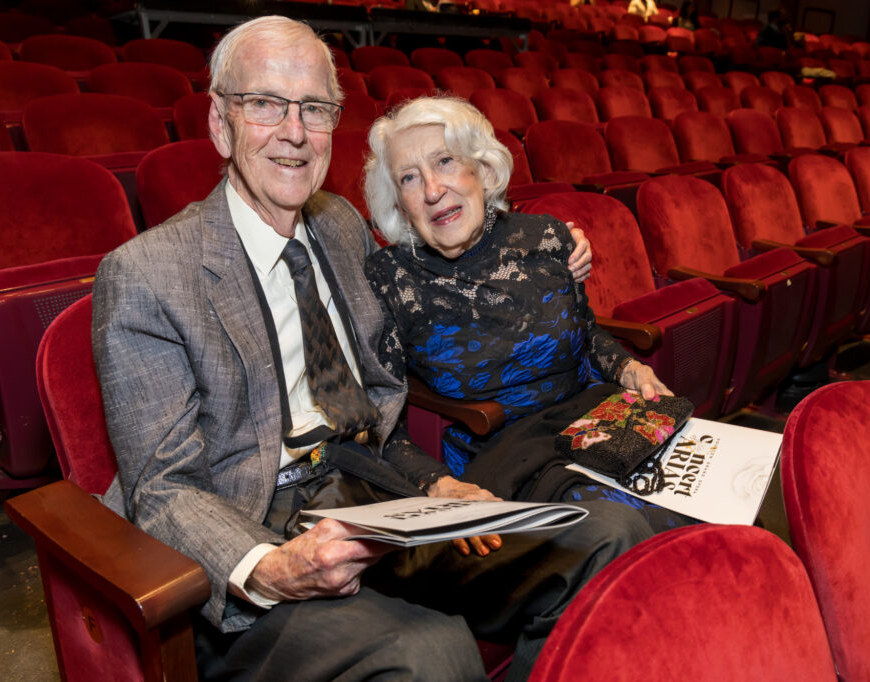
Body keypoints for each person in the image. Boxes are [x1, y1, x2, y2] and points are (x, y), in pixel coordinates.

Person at [92, 15, 654, 682]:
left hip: (374, 493)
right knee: (434, 653)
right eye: (266, 104)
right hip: (253, 520)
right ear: (221, 123)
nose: (295, 132)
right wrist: (269, 567)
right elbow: (163, 489)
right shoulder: (148, 273)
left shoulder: (339, 228)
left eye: (316, 108)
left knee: (614, 539)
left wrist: (437, 484)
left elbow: (449, 289)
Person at [363, 96, 698, 531]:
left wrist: (626, 366)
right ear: (399, 204)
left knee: (699, 496)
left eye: (445, 161)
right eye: (409, 177)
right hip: (504, 458)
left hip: (595, 420)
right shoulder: (390, 279)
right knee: (623, 528)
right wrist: (434, 482)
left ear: (482, 170)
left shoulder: (546, 237)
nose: (431, 190)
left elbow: (586, 333)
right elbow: (377, 412)